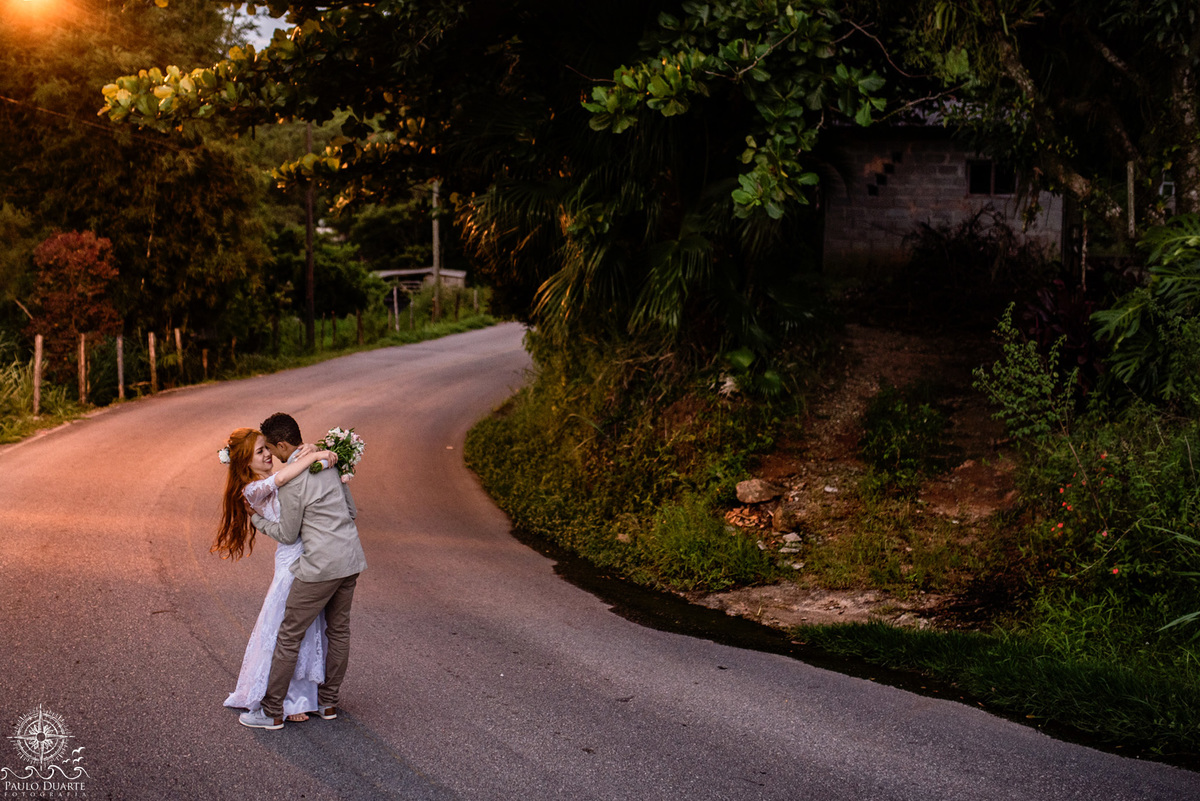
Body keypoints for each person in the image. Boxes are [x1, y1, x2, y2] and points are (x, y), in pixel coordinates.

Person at [238, 412, 367, 731]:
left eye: (271, 448)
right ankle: (328, 702)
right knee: (339, 631)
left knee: (289, 634)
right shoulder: (329, 464)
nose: (271, 455)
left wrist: (256, 520)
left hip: (320, 566)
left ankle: (271, 711)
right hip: (350, 559)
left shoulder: (292, 482)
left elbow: (287, 534)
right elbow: (351, 512)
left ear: (282, 445)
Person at [215, 427, 340, 722]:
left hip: (308, 555)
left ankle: (303, 695)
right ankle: (286, 700)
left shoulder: (268, 478)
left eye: (267, 448)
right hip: (291, 562)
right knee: (287, 630)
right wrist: (317, 455)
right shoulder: (252, 489)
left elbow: (292, 474)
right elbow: (284, 478)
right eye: (260, 452)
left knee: (306, 628)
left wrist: (310, 449)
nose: (268, 454)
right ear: (245, 462)